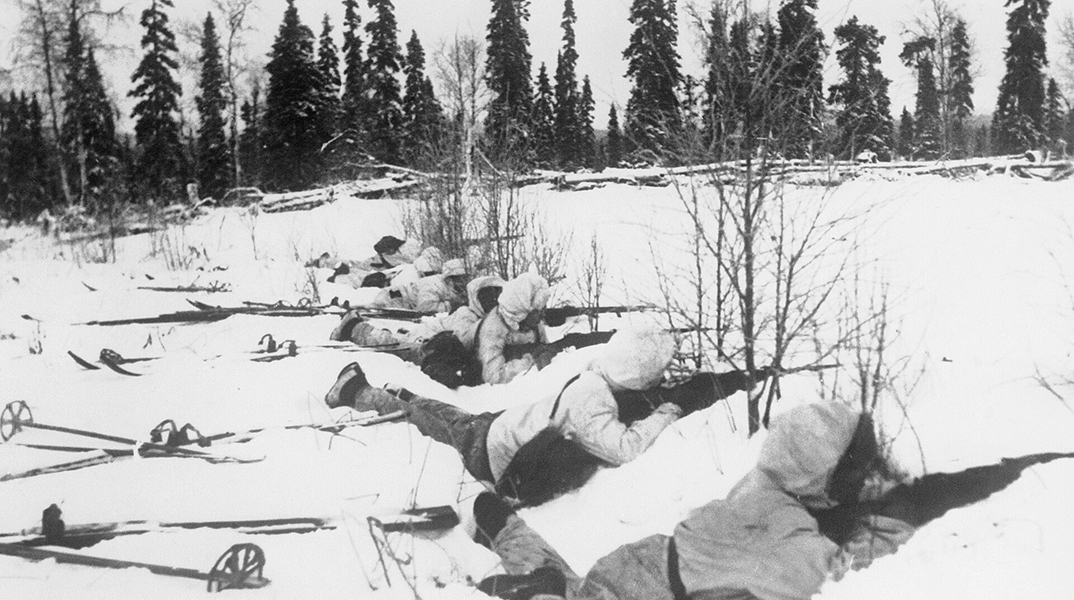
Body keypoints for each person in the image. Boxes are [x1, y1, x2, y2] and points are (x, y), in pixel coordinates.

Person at [471, 401, 915, 600]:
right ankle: (533, 579)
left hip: (640, 568)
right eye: (852, 469)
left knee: (568, 583)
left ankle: (499, 522)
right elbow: (841, 581)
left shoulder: (771, 480)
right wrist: (898, 521)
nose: (861, 478)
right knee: (560, 590)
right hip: (638, 592)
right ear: (819, 471)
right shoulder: (778, 531)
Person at [325, 327, 757, 504]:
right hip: (494, 451)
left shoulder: (599, 376)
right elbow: (626, 448)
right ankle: (359, 393)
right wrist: (670, 407)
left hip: (507, 426)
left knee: (444, 416)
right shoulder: (594, 401)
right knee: (438, 423)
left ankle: (396, 397)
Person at [475, 272, 551, 385]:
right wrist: (531, 361)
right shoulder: (492, 329)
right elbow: (493, 377)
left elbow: (545, 349)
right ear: (523, 311)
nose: (543, 315)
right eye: (539, 311)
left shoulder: (535, 324)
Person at [443, 275, 505, 350]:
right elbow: (464, 341)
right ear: (476, 298)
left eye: (497, 294)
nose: (493, 299)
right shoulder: (466, 313)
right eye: (487, 295)